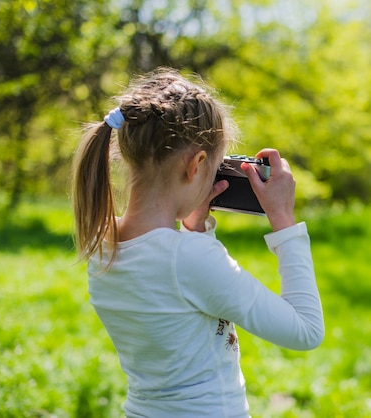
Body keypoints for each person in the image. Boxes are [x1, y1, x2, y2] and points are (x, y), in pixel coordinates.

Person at [72, 67, 324, 417]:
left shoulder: (100, 245)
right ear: (197, 165)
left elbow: (178, 307)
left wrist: (196, 227)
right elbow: (305, 330)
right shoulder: (190, 259)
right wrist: (283, 218)